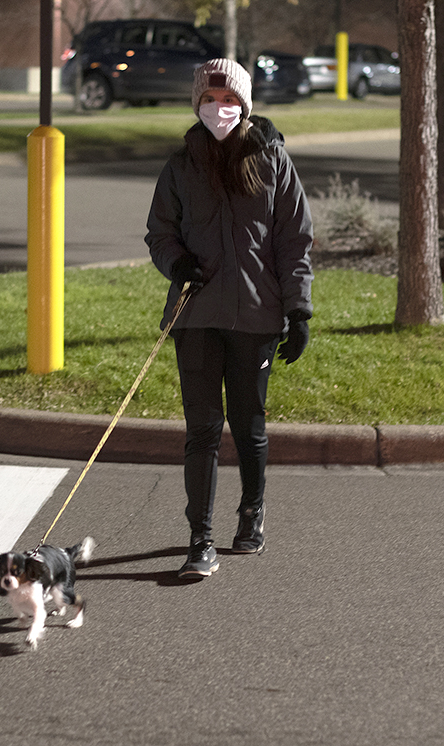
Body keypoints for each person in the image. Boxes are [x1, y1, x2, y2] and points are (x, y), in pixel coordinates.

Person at [145, 58, 314, 580]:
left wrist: (298, 309)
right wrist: (177, 262)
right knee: (202, 430)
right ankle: (200, 539)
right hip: (196, 315)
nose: (221, 109)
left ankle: (252, 514)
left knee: (248, 426)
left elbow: (294, 241)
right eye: (211, 100)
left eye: (231, 100)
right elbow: (159, 232)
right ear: (197, 104)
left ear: (246, 104)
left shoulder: (273, 161)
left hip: (257, 317)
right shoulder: (180, 166)